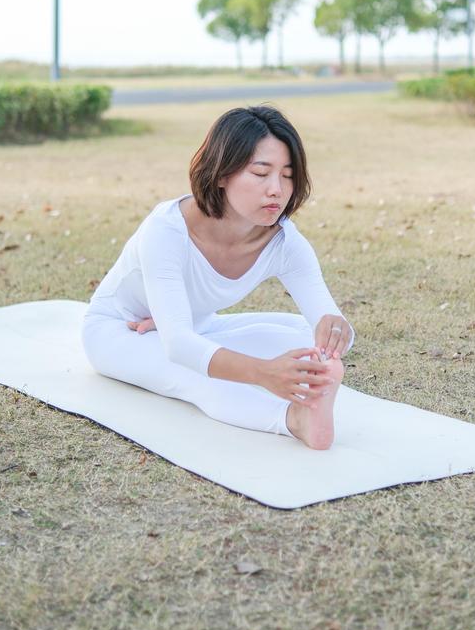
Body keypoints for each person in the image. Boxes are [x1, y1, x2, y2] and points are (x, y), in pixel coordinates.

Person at [81, 105, 355, 450]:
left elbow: (331, 324)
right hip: (119, 331)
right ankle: (294, 420)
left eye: (287, 175)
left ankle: (207, 349)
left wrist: (336, 330)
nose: (277, 190)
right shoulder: (166, 230)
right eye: (261, 173)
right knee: (195, 374)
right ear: (222, 172)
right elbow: (179, 345)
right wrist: (263, 372)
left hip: (195, 327)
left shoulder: (284, 241)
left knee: (307, 337)